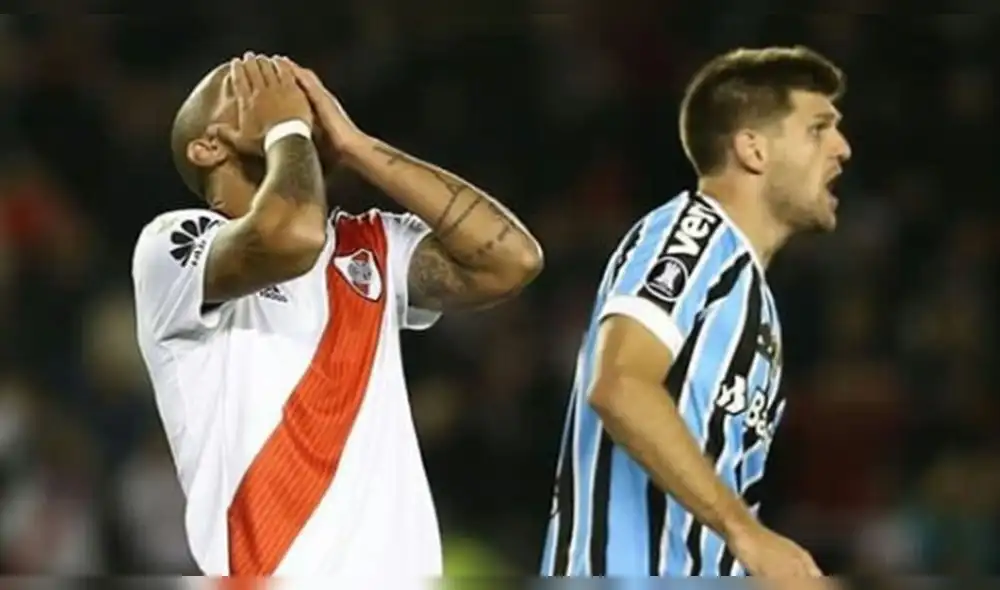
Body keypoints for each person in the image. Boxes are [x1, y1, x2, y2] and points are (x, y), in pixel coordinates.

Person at [131, 53, 543, 578]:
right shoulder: (173, 246)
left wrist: (357, 146)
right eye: (248, 86)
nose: (281, 89)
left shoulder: (372, 245)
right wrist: (285, 127)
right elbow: (293, 237)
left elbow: (511, 260)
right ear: (207, 146)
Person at [540, 46, 851, 581]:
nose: (842, 148)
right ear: (753, 149)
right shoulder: (693, 236)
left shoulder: (751, 291)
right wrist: (748, 534)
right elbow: (620, 384)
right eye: (818, 129)